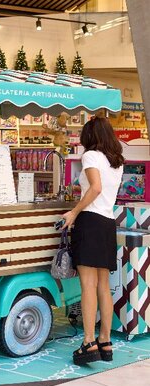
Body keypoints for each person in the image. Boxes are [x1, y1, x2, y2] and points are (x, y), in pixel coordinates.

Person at [62, 116, 124, 366]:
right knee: (102, 285)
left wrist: (74, 212)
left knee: (87, 285)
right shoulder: (116, 161)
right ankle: (105, 341)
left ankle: (88, 342)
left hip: (89, 221)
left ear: (90, 136)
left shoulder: (90, 156)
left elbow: (95, 187)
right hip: (108, 223)